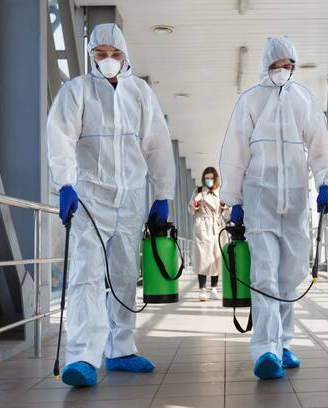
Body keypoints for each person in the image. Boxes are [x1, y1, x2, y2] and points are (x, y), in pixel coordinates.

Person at [47, 23, 175, 387]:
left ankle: (120, 349)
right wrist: (65, 184)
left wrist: (162, 193)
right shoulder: (77, 92)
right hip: (90, 196)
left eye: (114, 54)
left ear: (125, 56)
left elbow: (158, 146)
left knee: (122, 274)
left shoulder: (140, 93)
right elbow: (60, 137)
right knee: (86, 274)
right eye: (100, 54)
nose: (107, 60)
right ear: (91, 56)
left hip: (132, 196)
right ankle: (83, 357)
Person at [219, 36, 328, 380]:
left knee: (288, 276)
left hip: (296, 200)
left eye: (288, 66)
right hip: (260, 200)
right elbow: (235, 152)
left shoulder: (304, 100)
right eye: (276, 65)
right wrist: (235, 198)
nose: (282, 71)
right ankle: (266, 349)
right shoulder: (251, 101)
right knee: (266, 275)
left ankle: (284, 342)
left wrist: (326, 182)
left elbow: (320, 146)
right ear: (265, 65)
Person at [189, 167, 229, 301]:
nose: (209, 180)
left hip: (216, 226)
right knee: (202, 257)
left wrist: (224, 207)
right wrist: (196, 203)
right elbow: (190, 209)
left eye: (211, 178)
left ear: (216, 179)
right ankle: (202, 290)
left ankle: (214, 289)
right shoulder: (198, 191)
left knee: (216, 256)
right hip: (203, 225)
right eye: (207, 178)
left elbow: (227, 212)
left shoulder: (221, 193)